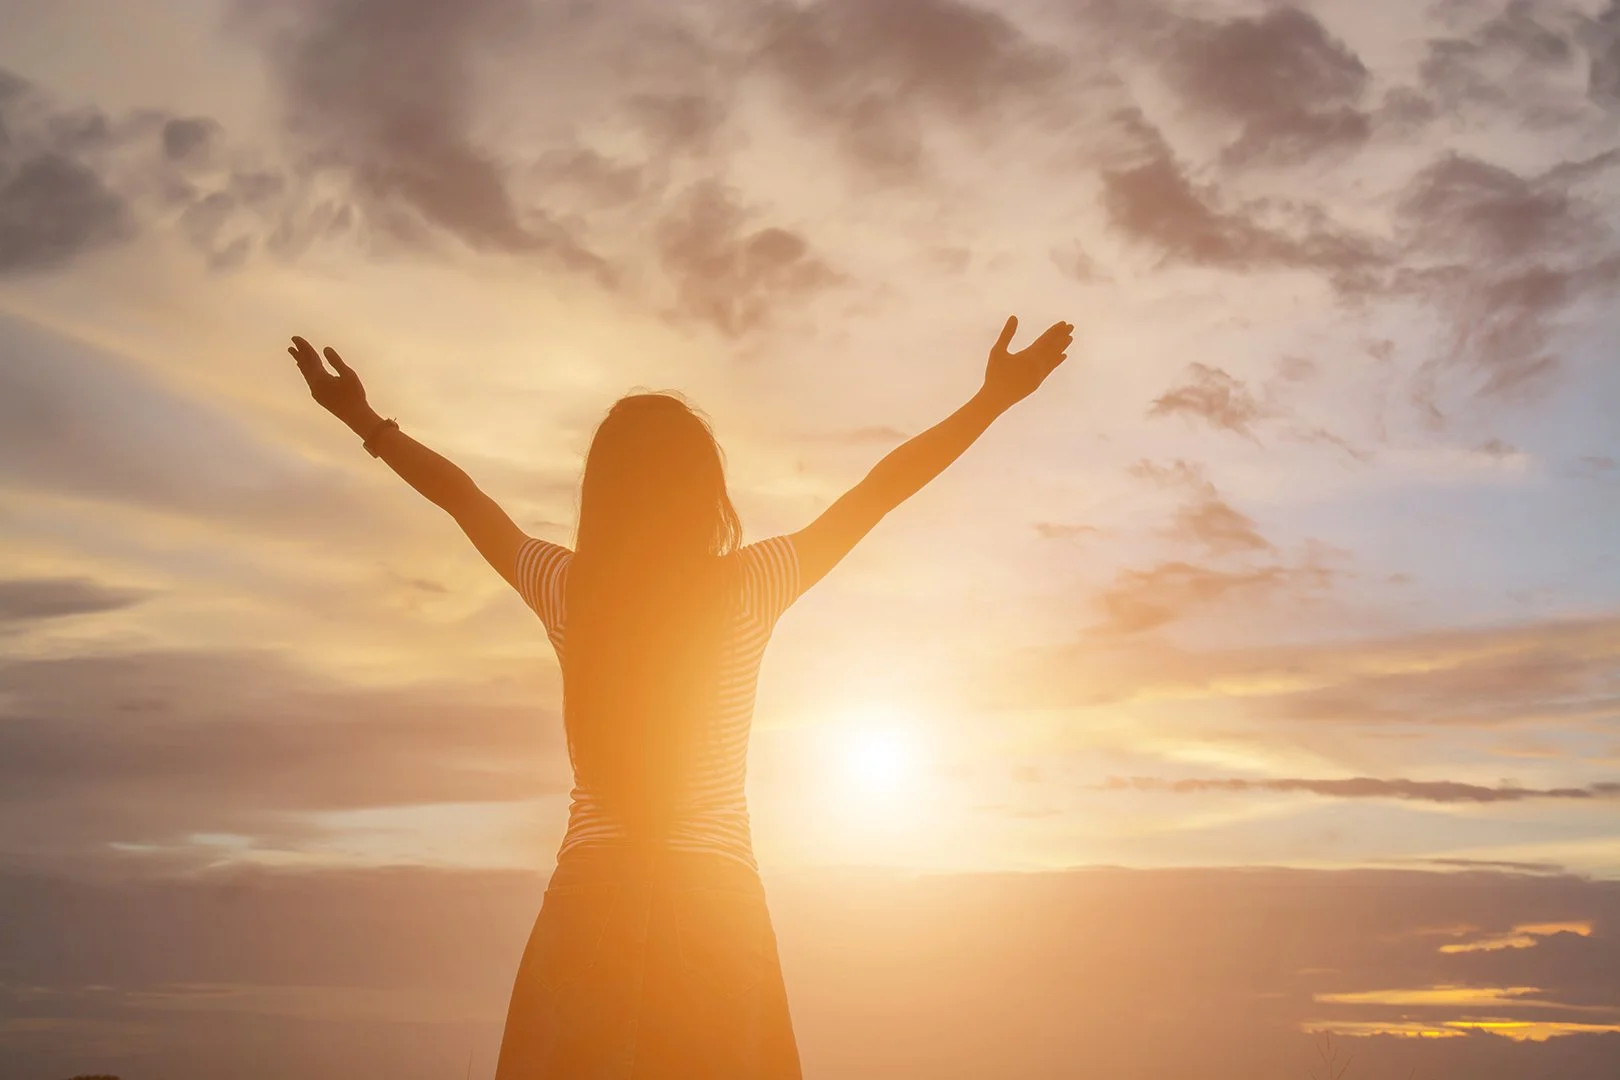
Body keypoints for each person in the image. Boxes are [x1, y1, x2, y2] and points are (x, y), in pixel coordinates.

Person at [284, 313, 1073, 1078]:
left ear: (604, 493)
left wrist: (363, 420)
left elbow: (465, 500)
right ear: (705, 492)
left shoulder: (568, 589)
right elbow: (879, 489)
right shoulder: (752, 585)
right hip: (716, 914)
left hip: (589, 908)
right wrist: (992, 400)